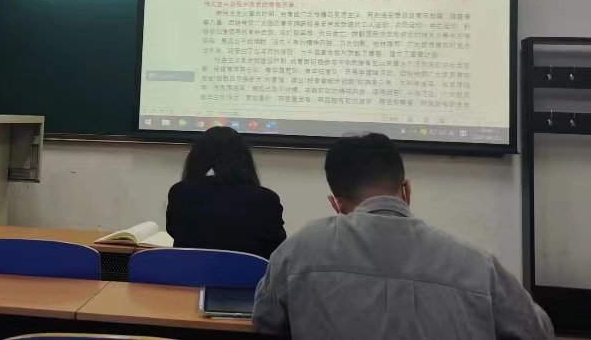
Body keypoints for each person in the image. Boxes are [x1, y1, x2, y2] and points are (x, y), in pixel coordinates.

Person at [254, 133, 553, 340]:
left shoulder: (297, 253)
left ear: (337, 204)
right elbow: (537, 332)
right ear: (407, 191)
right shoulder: (478, 265)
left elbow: (266, 321)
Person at [166, 126, 286, 259]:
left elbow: (173, 231)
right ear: (244, 159)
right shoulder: (266, 199)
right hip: (248, 272)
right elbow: (277, 246)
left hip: (190, 271)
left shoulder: (180, 193)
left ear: (196, 157)